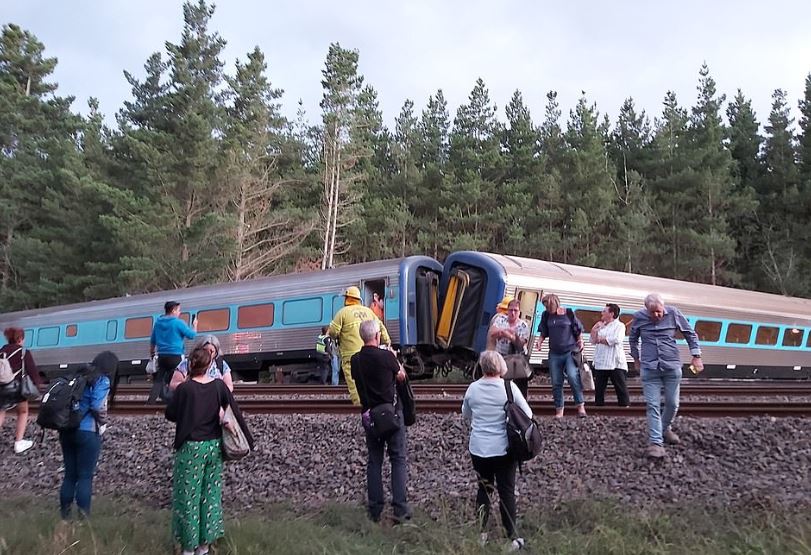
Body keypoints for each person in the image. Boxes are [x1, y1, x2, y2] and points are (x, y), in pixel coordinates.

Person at [166, 346, 254, 555]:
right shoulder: (218, 386)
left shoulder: (185, 389)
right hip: (214, 448)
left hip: (190, 448)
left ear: (190, 366)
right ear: (209, 366)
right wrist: (248, 438)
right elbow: (232, 408)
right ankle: (204, 547)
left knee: (188, 497)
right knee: (210, 496)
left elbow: (170, 414)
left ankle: (189, 548)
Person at [462, 350, 531, 551]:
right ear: (500, 366)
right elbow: (528, 413)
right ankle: (512, 537)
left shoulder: (473, 389)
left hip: (478, 449)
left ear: (483, 367)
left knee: (483, 490)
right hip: (504, 449)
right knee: (506, 492)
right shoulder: (509, 388)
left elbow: (465, 414)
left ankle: (481, 534)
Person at [351, 319, 410, 524]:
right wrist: (395, 358)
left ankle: (375, 510)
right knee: (398, 459)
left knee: (374, 462)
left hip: (371, 417)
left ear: (362, 337)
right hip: (392, 415)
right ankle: (400, 510)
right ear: (376, 336)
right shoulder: (387, 357)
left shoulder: (355, 360)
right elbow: (402, 377)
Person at [629, 293, 702, 459]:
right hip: (649, 368)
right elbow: (632, 339)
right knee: (652, 405)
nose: (656, 315)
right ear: (646, 310)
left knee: (672, 404)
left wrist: (696, 356)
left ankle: (664, 428)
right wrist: (636, 359)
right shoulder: (639, 317)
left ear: (664, 307)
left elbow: (690, 334)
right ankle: (656, 443)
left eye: (659, 312)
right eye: (652, 312)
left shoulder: (674, 313)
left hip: (672, 366)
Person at [59, 351, 119, 519]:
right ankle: (83, 519)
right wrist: (103, 422)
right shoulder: (103, 380)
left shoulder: (80, 374)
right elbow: (97, 406)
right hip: (87, 432)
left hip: (66, 430)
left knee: (70, 475)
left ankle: (65, 517)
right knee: (85, 476)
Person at [329, 286, 391, 406]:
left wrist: (337, 336)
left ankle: (359, 406)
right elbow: (380, 326)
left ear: (347, 298)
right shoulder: (368, 311)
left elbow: (333, 332)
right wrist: (387, 341)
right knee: (369, 379)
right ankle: (373, 403)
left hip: (350, 355)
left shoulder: (342, 313)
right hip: (369, 352)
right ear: (358, 299)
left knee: (354, 383)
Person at [536, 294, 587, 418]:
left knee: (572, 376)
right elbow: (544, 331)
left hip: (570, 351)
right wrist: (540, 341)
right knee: (556, 382)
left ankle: (580, 406)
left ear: (555, 304)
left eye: (549, 307)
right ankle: (559, 410)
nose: (547, 309)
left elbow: (578, 329)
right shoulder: (546, 315)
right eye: (546, 307)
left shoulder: (568, 313)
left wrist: (580, 341)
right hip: (554, 352)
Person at [0, 327, 42, 453]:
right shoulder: (24, 352)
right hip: (17, 388)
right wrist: (38, 385)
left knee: (1, 411)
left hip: (1, 387)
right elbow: (32, 371)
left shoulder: (1, 352)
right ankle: (18, 442)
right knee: (23, 412)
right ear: (20, 339)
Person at [149, 301, 198, 404]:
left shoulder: (157, 323)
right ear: (173, 310)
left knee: (159, 379)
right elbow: (191, 335)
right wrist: (195, 326)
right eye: (179, 310)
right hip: (175, 355)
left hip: (161, 356)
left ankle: (150, 402)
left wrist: (152, 354)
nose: (180, 312)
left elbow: (153, 340)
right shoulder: (178, 322)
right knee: (177, 378)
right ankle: (177, 400)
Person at [487, 299, 531, 398]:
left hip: (518, 357)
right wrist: (505, 331)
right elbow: (492, 332)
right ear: (507, 310)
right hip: (501, 354)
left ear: (519, 312)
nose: (513, 313)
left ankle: (521, 404)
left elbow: (521, 343)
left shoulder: (523, 325)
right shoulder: (501, 319)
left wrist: (508, 336)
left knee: (520, 382)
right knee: (501, 379)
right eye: (511, 310)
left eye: (515, 310)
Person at [590, 303, 630, 407]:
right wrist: (594, 330)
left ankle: (624, 407)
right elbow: (593, 341)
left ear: (611, 314)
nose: (601, 313)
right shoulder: (601, 326)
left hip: (615, 362)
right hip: (601, 361)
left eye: (604, 311)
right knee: (599, 389)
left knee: (620, 387)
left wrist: (600, 340)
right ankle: (599, 408)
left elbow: (616, 339)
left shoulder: (619, 326)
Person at [169, 335, 234, 393]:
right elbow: (173, 384)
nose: (208, 354)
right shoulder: (187, 363)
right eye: (205, 350)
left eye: (211, 351)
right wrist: (189, 387)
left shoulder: (221, 365)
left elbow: (229, 386)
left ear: (216, 353)